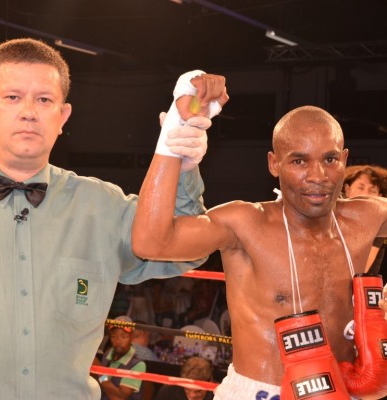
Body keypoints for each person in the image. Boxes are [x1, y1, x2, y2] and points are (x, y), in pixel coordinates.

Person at [0, 38, 226, 399]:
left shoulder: (103, 207)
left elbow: (185, 250)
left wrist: (180, 163)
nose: (29, 112)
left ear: (63, 116)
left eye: (43, 100)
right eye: (12, 97)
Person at [132, 103, 387, 399]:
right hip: (260, 391)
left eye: (329, 159)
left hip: (345, 389)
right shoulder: (245, 223)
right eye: (299, 161)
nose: (318, 175)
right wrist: (169, 149)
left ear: (344, 159)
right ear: (274, 164)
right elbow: (150, 243)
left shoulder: (367, 217)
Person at [343, 164, 387, 279]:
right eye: (360, 188)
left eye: (372, 190)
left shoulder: (379, 225)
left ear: (380, 197)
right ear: (347, 189)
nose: (366, 194)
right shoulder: (331, 217)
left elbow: (358, 271)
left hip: (358, 285)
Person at [98, 316, 145, 400]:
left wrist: (99, 372)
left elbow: (119, 398)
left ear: (131, 337)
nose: (118, 341)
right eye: (114, 336)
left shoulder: (138, 365)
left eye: (123, 337)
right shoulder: (107, 355)